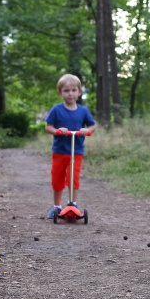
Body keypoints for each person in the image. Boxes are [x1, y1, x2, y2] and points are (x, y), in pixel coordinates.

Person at [44, 74, 97, 219]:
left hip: (77, 151)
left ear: (79, 92)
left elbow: (92, 125)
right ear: (60, 92)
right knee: (57, 179)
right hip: (59, 152)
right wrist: (57, 131)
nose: (70, 93)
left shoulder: (83, 111)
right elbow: (48, 127)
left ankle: (72, 204)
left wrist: (88, 131)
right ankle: (57, 207)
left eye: (74, 90)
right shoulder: (56, 110)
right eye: (66, 90)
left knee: (73, 178)